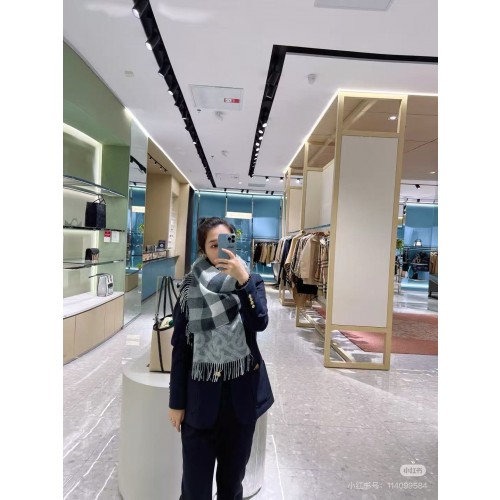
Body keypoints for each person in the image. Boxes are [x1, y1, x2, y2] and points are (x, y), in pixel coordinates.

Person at [168, 217, 274, 500]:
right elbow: (180, 346)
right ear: (203, 249)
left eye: (225, 243)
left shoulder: (251, 282)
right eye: (213, 245)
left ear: (234, 245)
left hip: (240, 403)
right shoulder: (190, 288)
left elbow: (259, 322)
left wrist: (243, 280)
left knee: (231, 487)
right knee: (195, 490)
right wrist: (176, 402)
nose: (220, 251)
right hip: (200, 403)